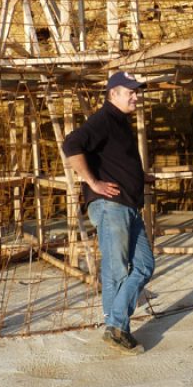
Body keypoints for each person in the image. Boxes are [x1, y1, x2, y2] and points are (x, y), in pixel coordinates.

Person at [62, 71, 155, 355]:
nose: (136, 96)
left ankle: (115, 325)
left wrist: (139, 177)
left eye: (137, 91)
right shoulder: (103, 119)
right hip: (111, 207)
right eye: (131, 91)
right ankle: (116, 327)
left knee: (144, 265)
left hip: (128, 205)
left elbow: (114, 160)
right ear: (113, 93)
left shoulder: (120, 123)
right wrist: (93, 183)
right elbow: (71, 144)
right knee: (116, 269)